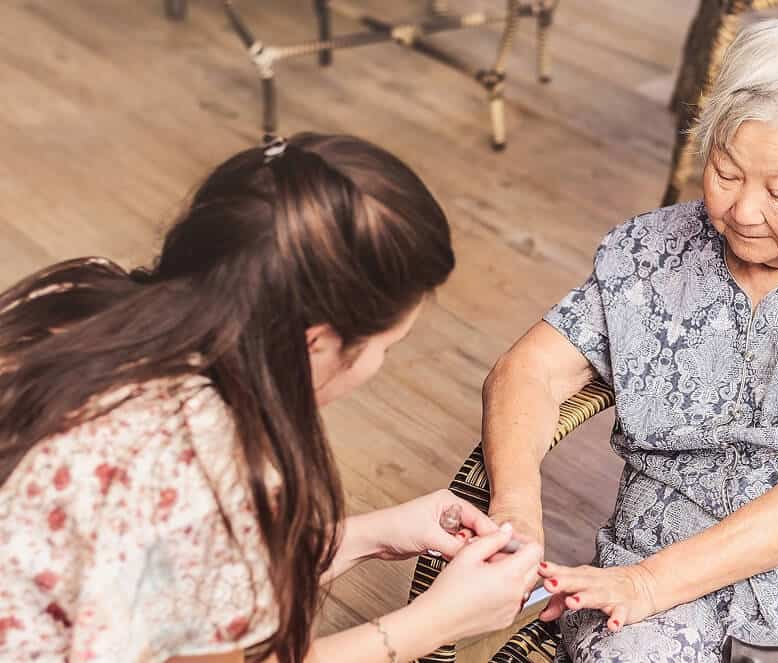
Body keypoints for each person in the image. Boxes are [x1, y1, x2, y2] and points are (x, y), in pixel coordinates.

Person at [482, 20, 778, 662]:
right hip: (661, 553)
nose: (743, 210)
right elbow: (529, 371)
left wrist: (649, 583)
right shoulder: (651, 250)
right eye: (726, 171)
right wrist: (516, 508)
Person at [0, 133, 542, 663]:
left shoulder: (75, 292)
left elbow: (166, 569)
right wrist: (437, 621)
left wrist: (369, 537)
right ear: (316, 344)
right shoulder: (216, 472)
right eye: (386, 347)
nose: (380, 363)